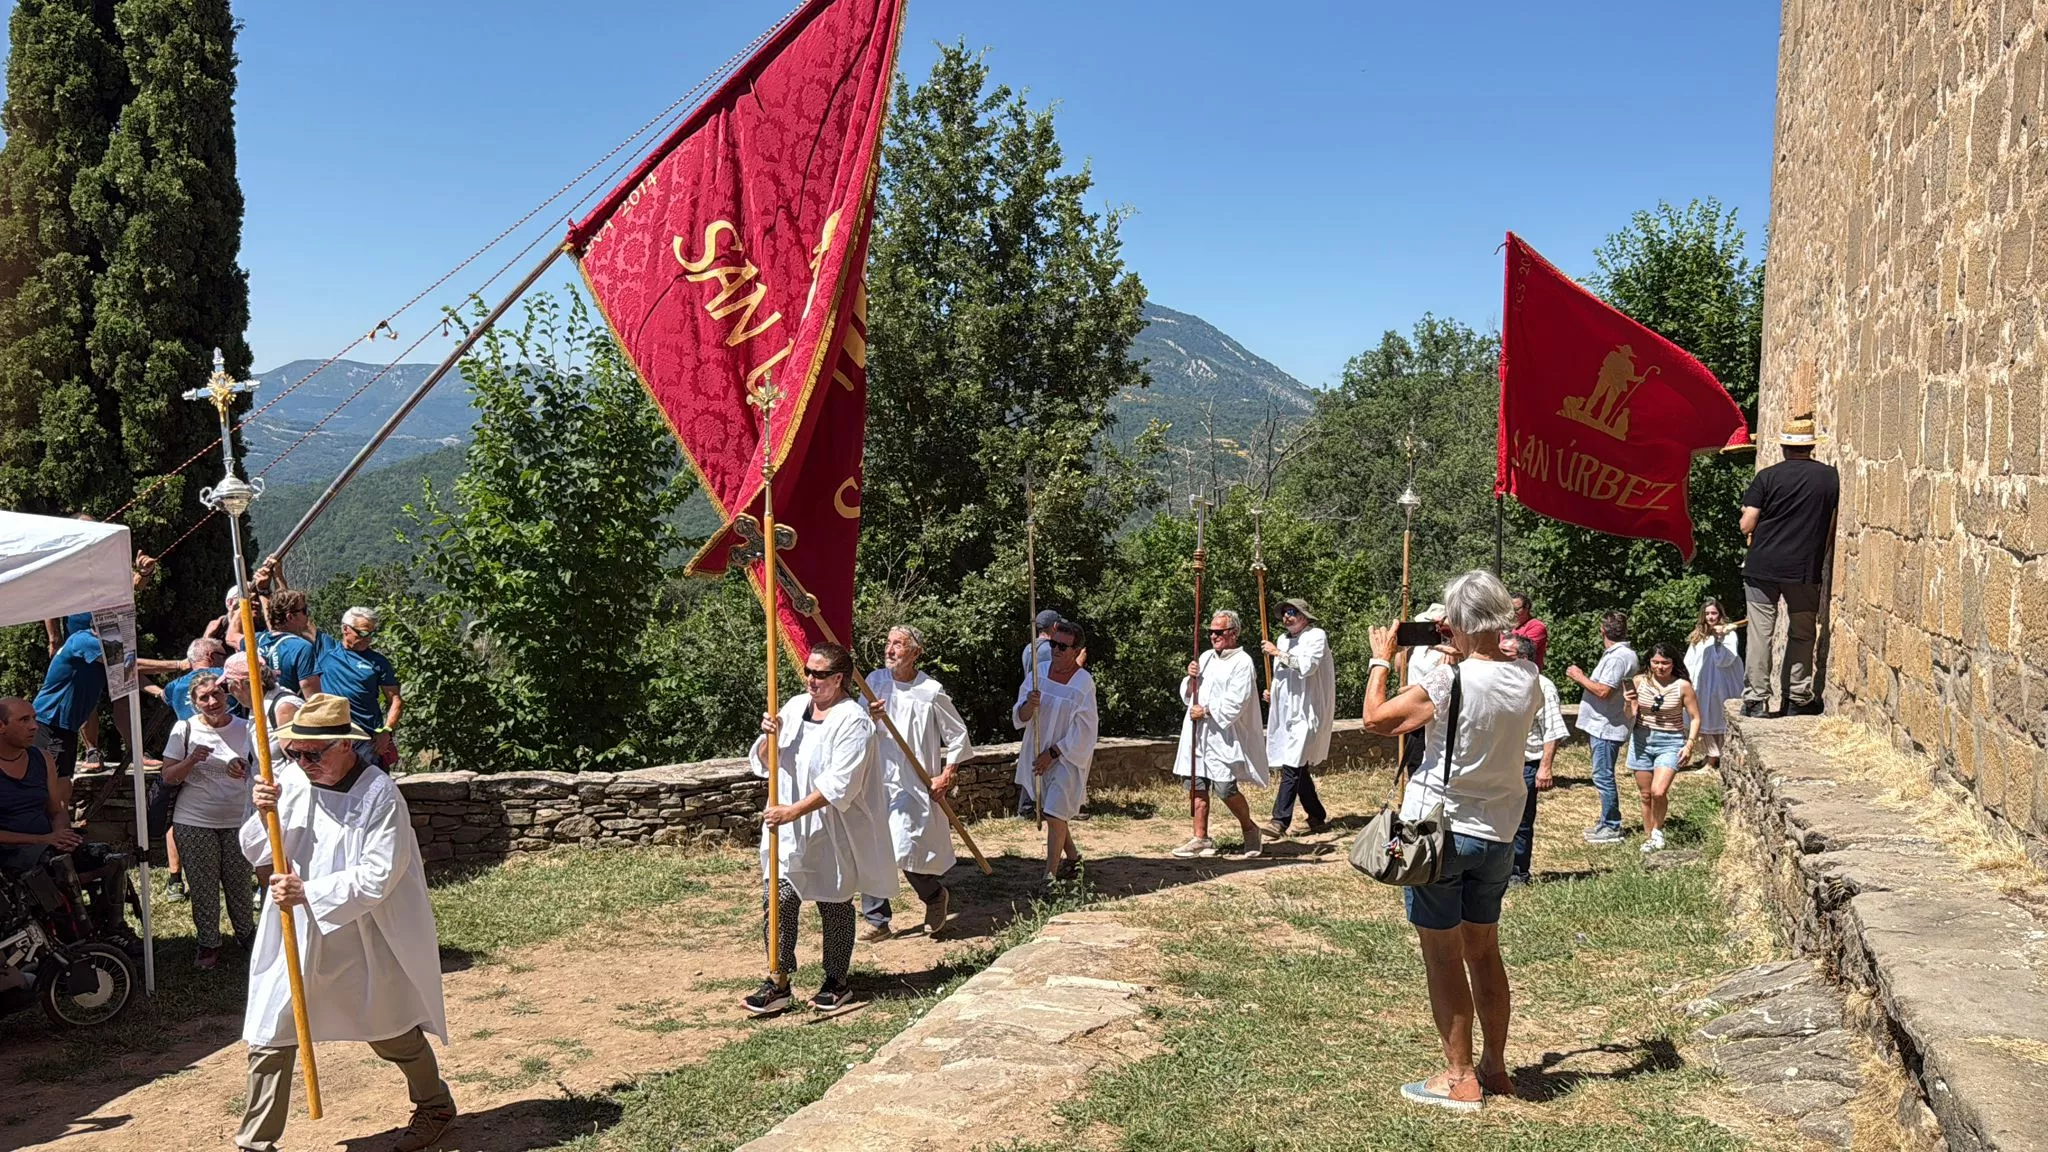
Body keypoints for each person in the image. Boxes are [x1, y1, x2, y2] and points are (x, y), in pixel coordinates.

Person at [239, 694, 455, 1152]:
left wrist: (311, 892)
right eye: (292, 752)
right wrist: (262, 813)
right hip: (295, 928)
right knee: (270, 1031)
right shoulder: (292, 781)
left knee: (389, 1028)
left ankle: (434, 1104)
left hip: (363, 931)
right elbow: (257, 851)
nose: (300, 761)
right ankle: (255, 1144)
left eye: (311, 754)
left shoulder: (380, 795)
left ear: (344, 746)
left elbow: (380, 873)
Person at [1362, 571, 1543, 1111]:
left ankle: (1459, 1078)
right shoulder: (1528, 677)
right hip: (1498, 834)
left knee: (1442, 957)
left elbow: (1376, 720)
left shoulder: (1449, 682)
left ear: (1457, 622)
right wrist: (1459, 649)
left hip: (1439, 834)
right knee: (1484, 951)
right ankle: (1495, 1067)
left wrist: (1380, 660)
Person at [745, 642, 895, 1016]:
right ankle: (778, 980)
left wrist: (792, 812)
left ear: (839, 678)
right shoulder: (794, 707)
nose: (811, 680)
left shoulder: (854, 721)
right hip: (788, 827)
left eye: (820, 674)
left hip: (830, 828)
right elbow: (766, 762)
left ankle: (836, 979)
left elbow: (840, 784)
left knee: (834, 902)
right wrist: (769, 737)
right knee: (778, 900)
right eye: (808, 672)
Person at [859, 625, 973, 941]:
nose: (890, 649)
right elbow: (853, 728)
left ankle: (934, 896)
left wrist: (947, 775)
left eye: (898, 644)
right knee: (872, 848)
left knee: (906, 848)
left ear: (915, 652)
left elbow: (958, 736)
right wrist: (868, 715)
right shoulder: (873, 683)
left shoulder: (931, 691)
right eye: (888, 643)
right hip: (877, 780)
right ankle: (877, 919)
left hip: (913, 784)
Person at [0, 697, 134, 943]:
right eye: (24, 720)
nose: (34, 726)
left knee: (108, 857)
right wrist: (45, 839)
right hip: (12, 852)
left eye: (34, 719)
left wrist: (62, 835)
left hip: (49, 844)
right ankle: (78, 937)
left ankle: (114, 930)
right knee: (57, 864)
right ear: (1, 726)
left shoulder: (42, 759)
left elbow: (56, 810)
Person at [1739, 413, 1839, 717]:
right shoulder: (1828, 477)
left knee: (1760, 633)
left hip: (1762, 567)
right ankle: (1796, 696)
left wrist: (1746, 514)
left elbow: (1747, 525)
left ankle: (1756, 700)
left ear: (1784, 447)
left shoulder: (1767, 477)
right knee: (1803, 631)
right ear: (1811, 448)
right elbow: (1831, 521)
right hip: (1804, 568)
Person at [162, 671, 255, 969]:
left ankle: (247, 936)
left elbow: (263, 768)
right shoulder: (184, 729)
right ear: (193, 702)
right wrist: (192, 760)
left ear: (227, 694)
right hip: (195, 820)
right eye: (204, 697)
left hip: (238, 818)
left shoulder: (247, 727)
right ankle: (208, 944)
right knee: (202, 886)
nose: (213, 701)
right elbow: (168, 776)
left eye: (217, 694)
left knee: (240, 882)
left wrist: (243, 769)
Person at [1170, 610, 1269, 860]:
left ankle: (1250, 829)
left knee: (1225, 788)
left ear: (1233, 633)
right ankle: (1200, 838)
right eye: (1211, 632)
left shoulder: (1243, 662)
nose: (1213, 636)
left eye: (1219, 632)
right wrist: (1190, 677)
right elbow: (1189, 692)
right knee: (1197, 785)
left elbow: (1238, 701)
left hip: (1223, 734)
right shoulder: (1204, 657)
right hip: (1198, 732)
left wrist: (1206, 711)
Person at [1013, 620, 1098, 887]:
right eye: (1053, 644)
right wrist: (1030, 704)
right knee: (1055, 812)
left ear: (1076, 650)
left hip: (1066, 756)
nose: (1056, 650)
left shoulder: (1083, 684)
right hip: (1037, 751)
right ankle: (1073, 859)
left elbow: (1085, 730)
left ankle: (1048, 876)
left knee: (1054, 813)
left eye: (1063, 646)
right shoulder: (1038, 673)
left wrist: (1054, 753)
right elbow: (1020, 715)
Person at [1259, 598, 1335, 839]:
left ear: (1304, 616)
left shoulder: (1316, 637)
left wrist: (1277, 653)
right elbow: (1284, 677)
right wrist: (1275, 692)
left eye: (1292, 612)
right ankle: (1316, 815)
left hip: (1307, 712)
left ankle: (1279, 820)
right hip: (1286, 712)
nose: (1286, 616)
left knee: (1292, 764)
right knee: (1297, 764)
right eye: (1284, 613)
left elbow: (1307, 667)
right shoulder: (1282, 640)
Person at [1500, 634, 1567, 887]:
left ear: (1524, 658)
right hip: (1500, 761)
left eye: (1506, 652)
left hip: (1527, 763)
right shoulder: (1499, 683)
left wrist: (1545, 768)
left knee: (1521, 819)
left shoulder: (1542, 686)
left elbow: (1553, 729)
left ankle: (1518, 872)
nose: (1499, 656)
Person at [1566, 612, 1637, 846]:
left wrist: (1579, 676)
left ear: (1602, 631)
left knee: (1603, 775)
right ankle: (1605, 821)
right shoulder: (1618, 655)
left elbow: (1604, 691)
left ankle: (1611, 826)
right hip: (1604, 723)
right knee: (1601, 774)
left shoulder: (1618, 658)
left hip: (1607, 726)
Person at [1624, 643, 1701, 853]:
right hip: (1642, 739)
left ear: (1673, 664)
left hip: (1670, 740)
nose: (1660, 667)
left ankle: (1658, 830)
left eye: (1665, 663)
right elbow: (1628, 716)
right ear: (1649, 663)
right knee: (1645, 794)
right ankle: (1649, 837)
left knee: (1659, 791)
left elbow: (1695, 717)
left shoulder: (1682, 686)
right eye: (1656, 662)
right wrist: (1629, 705)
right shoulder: (1639, 682)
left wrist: (1690, 744)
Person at [312, 607, 402, 765]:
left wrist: (387, 731)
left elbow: (395, 700)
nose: (368, 638)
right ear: (346, 629)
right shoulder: (326, 650)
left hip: (367, 740)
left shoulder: (378, 661)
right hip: (333, 737)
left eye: (372, 633)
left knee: (371, 787)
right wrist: (264, 589)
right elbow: (294, 616)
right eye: (363, 633)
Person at [1684, 599, 1743, 771]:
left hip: (1721, 683)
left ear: (1720, 614)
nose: (1711, 617)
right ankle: (1711, 755)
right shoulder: (1698, 635)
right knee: (1702, 716)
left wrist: (1720, 638)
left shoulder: (1728, 634)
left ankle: (1716, 758)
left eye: (1714, 613)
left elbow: (1725, 659)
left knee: (1717, 717)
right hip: (1701, 683)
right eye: (1708, 613)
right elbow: (1690, 660)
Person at [260, 589, 334, 698]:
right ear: (290, 617)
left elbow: (231, 636)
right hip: (290, 711)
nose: (307, 615)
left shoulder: (256, 640)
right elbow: (313, 699)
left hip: (260, 711)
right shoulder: (301, 648)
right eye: (304, 611)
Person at [160, 637, 229, 722]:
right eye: (223, 657)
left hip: (191, 734)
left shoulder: (173, 687)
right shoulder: (227, 674)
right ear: (212, 656)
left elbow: (163, 695)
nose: (224, 661)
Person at [1510, 593, 1549, 669]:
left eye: (1516, 609)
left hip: (1527, 673)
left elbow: (1521, 651)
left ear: (1526, 608)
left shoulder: (1537, 626)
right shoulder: (1508, 626)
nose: (1512, 613)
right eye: (1509, 609)